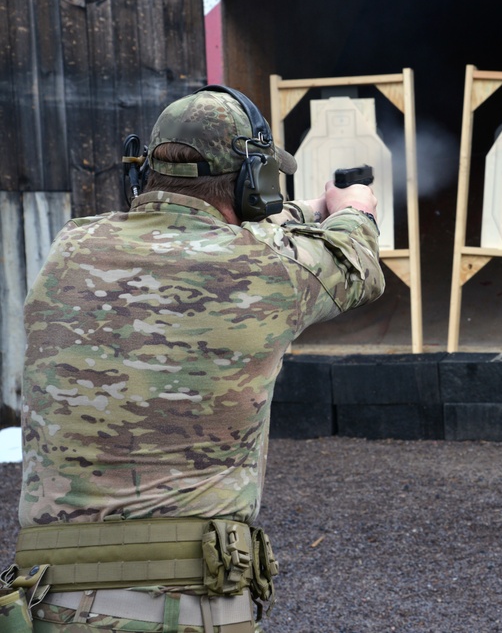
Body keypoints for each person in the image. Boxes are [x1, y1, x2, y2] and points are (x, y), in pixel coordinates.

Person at [0, 85, 385, 632]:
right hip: (180, 609)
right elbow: (356, 268)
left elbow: (205, 237)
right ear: (253, 183)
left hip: (47, 607)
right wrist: (353, 212)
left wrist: (303, 211)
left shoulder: (71, 247)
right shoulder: (268, 267)